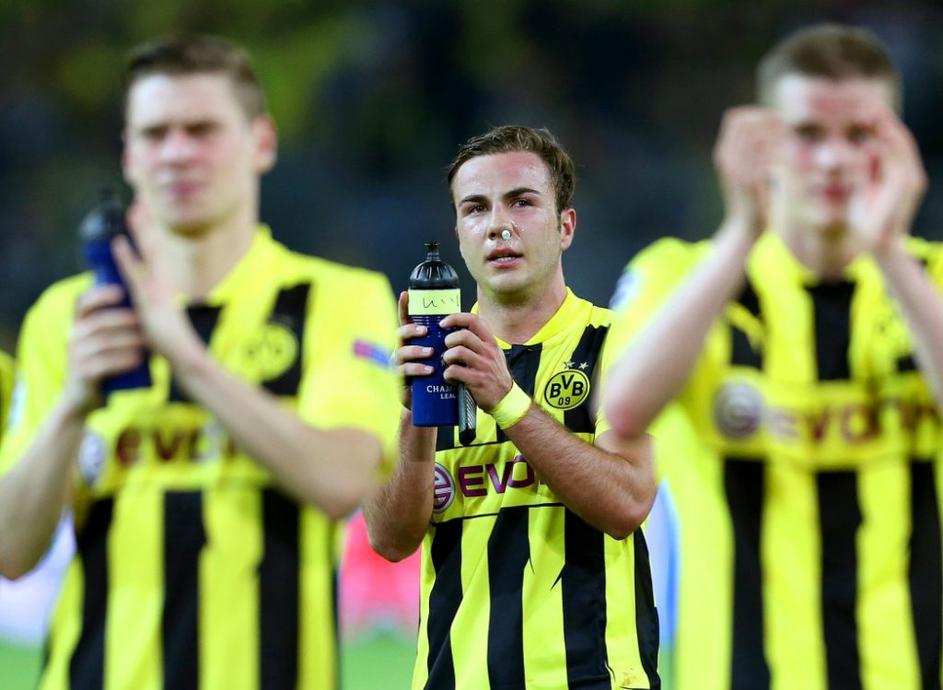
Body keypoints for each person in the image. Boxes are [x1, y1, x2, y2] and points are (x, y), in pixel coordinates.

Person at [0, 34, 401, 690]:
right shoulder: (67, 315)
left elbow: (339, 481)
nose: (176, 152)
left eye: (202, 130)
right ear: (129, 155)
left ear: (261, 143)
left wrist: (185, 355)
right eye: (155, 134)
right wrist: (72, 403)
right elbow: (12, 554)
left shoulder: (338, 299)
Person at [603, 23, 941, 690]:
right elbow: (620, 409)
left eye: (860, 134)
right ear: (763, 143)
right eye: (807, 133)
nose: (833, 160)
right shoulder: (680, 276)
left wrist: (889, 251)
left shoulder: (929, 282)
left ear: (898, 145)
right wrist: (741, 231)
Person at [364, 125, 660, 690]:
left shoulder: (619, 344)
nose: (498, 224)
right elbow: (390, 539)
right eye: (476, 208)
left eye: (522, 202)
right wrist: (415, 416)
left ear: (565, 226)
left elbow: (627, 503)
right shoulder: (416, 364)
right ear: (459, 234)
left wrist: (506, 401)